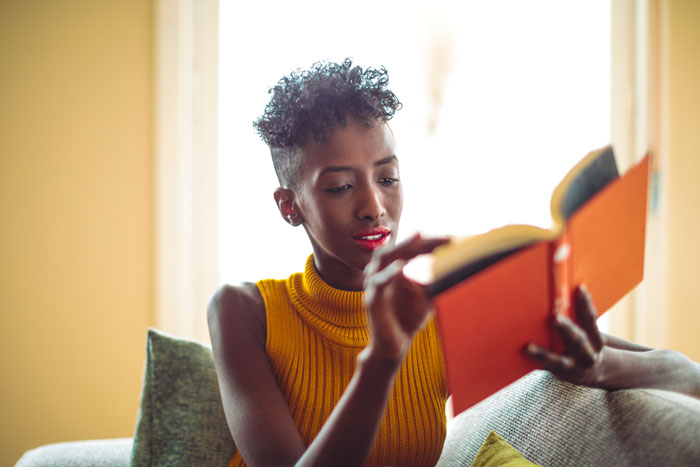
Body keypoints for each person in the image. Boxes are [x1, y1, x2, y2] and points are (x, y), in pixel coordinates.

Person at [208, 59, 700, 467]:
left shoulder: (436, 313)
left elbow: (681, 373)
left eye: (388, 177)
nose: (374, 206)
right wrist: (381, 361)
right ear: (288, 205)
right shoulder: (244, 311)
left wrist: (598, 369)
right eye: (340, 186)